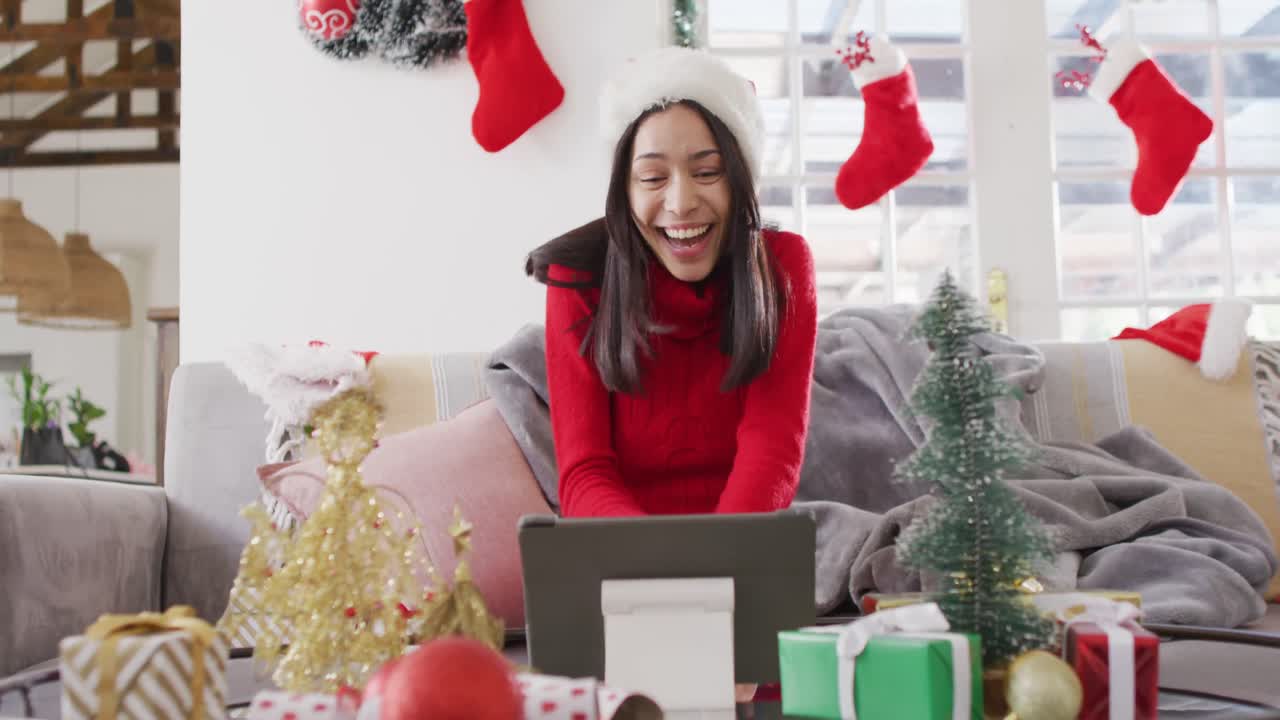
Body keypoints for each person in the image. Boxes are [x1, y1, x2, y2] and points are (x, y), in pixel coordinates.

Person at [525, 45, 819, 521]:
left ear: (741, 178)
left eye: (707, 172)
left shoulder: (783, 267)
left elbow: (772, 452)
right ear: (624, 189)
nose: (681, 203)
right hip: (622, 555)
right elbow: (585, 472)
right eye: (652, 177)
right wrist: (662, 569)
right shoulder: (578, 278)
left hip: (745, 547)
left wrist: (717, 565)